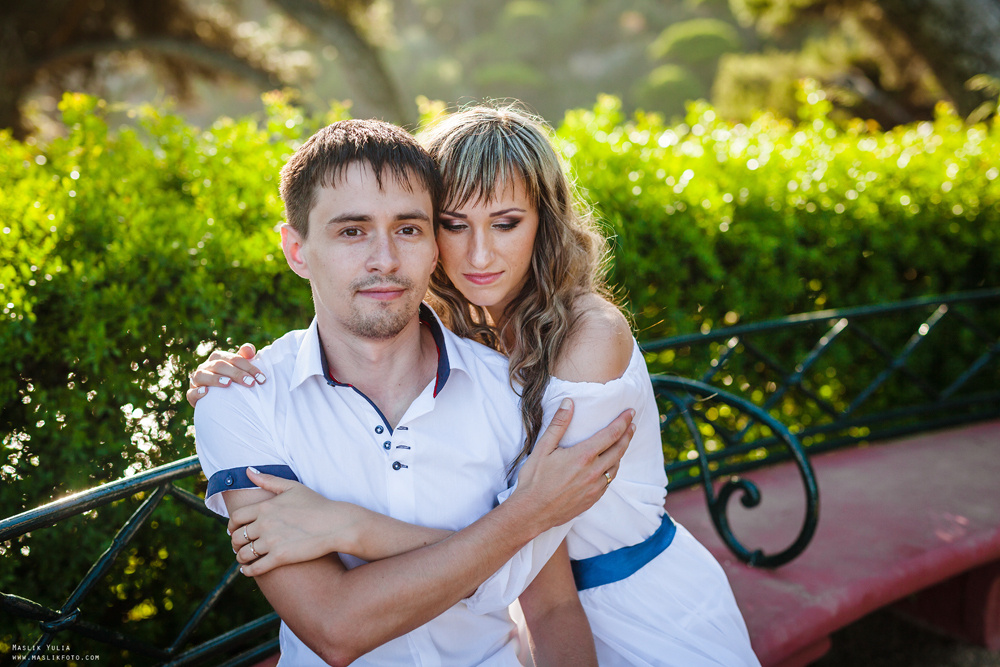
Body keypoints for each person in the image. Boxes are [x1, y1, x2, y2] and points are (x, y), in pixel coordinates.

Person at [191, 104, 760, 666]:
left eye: (505, 223)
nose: (478, 253)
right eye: (454, 225)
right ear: (297, 250)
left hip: (647, 616)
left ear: (544, 224)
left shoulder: (564, 353)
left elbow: (541, 552)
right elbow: (342, 623)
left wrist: (350, 527)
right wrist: (236, 380)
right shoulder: (469, 334)